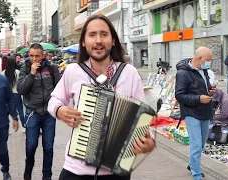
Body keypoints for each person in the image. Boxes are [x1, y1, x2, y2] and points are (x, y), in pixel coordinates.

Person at [47, 14, 156, 180]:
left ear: (113, 41)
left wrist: (149, 142)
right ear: (83, 42)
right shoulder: (73, 71)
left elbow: (144, 118)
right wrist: (60, 110)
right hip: (76, 170)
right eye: (92, 35)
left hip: (116, 171)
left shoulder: (129, 73)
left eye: (104, 34)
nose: (98, 40)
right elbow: (54, 100)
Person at [17, 43, 61, 180]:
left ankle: (46, 176)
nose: (34, 59)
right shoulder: (24, 68)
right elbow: (20, 90)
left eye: (37, 56)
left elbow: (59, 88)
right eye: (31, 56)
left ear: (43, 55)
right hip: (32, 112)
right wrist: (31, 74)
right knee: (31, 146)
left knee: (48, 147)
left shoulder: (52, 68)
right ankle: (28, 171)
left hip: (49, 114)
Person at [175, 47, 216, 180]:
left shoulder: (204, 70)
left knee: (202, 144)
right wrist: (199, 99)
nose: (210, 63)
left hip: (205, 112)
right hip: (191, 112)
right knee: (196, 145)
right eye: (208, 60)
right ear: (200, 59)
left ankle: (192, 164)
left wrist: (211, 91)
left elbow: (204, 87)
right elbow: (179, 95)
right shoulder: (183, 73)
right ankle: (197, 174)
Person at [1, 56, 25, 129]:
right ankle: (24, 127)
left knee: (6, 112)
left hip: (6, 95)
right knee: (20, 111)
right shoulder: (17, 72)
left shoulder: (3, 73)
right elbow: (20, 83)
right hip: (16, 94)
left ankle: (5, 128)